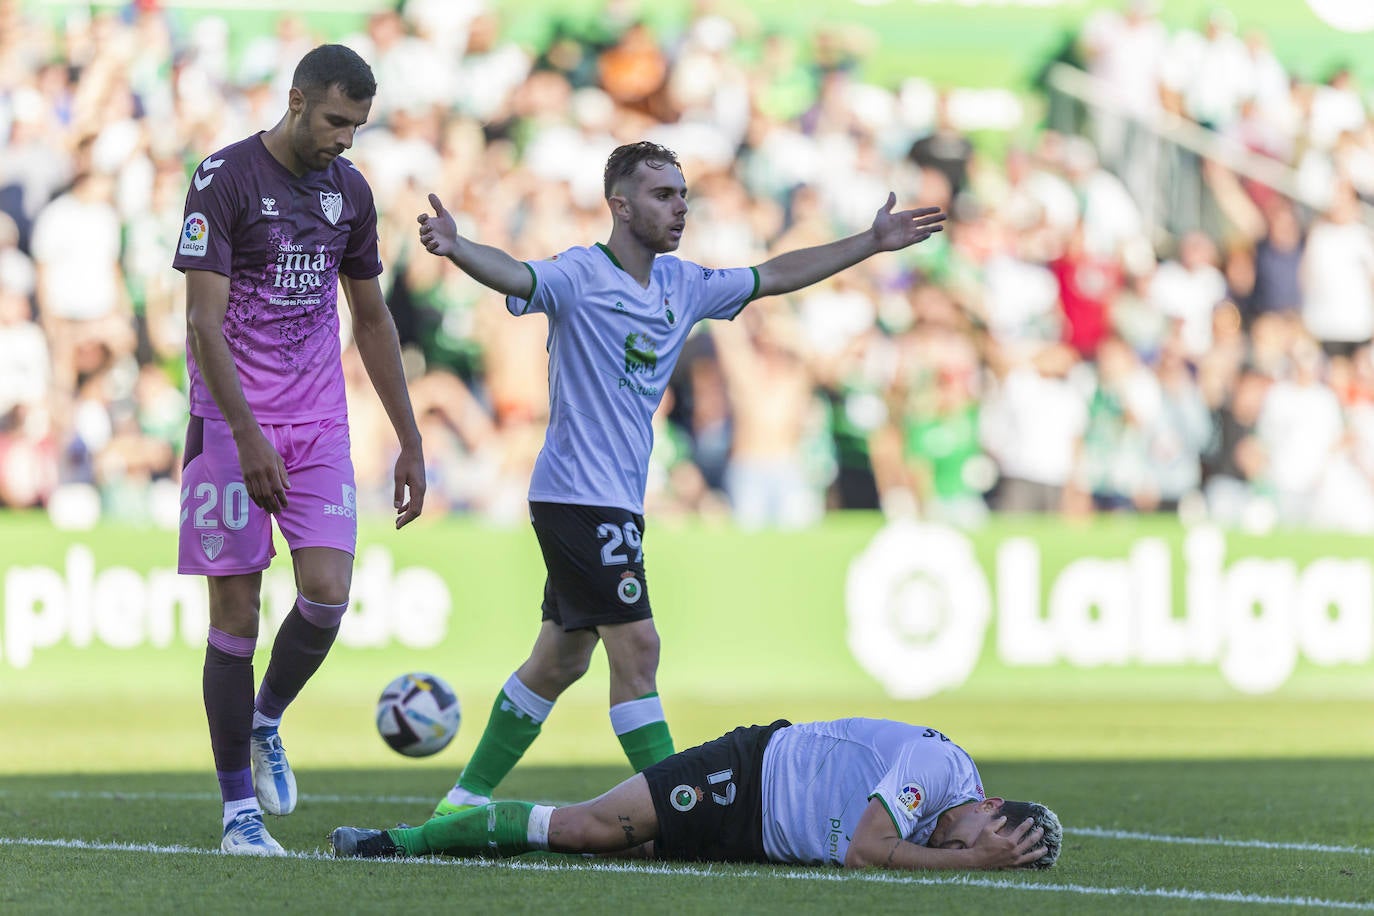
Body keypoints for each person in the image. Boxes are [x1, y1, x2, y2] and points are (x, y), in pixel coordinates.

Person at [414, 141, 945, 818]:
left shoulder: (683, 286)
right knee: (639, 649)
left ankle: (463, 800)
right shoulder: (580, 276)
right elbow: (516, 275)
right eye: (664, 195)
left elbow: (775, 274)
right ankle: (678, 813)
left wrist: (869, 243)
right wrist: (458, 248)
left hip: (612, 504)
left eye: (683, 194)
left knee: (561, 660)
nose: (680, 208)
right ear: (620, 205)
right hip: (578, 498)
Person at [172, 44, 426, 856]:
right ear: (296, 100)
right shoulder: (225, 180)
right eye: (335, 121)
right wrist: (245, 436)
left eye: (357, 125)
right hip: (229, 421)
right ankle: (237, 815)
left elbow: (373, 319)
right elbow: (201, 324)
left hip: (317, 422)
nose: (346, 139)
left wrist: (411, 439)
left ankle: (265, 718)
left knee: (327, 592)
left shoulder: (349, 192)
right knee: (236, 614)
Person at [330, 717, 1060, 871]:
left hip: (758, 839)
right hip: (750, 775)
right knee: (591, 831)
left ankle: (457, 836)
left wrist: (973, 856)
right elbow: (870, 852)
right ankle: (404, 840)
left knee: (622, 851)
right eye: (961, 839)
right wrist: (973, 865)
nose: (945, 844)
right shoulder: (938, 767)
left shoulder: (953, 811)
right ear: (988, 805)